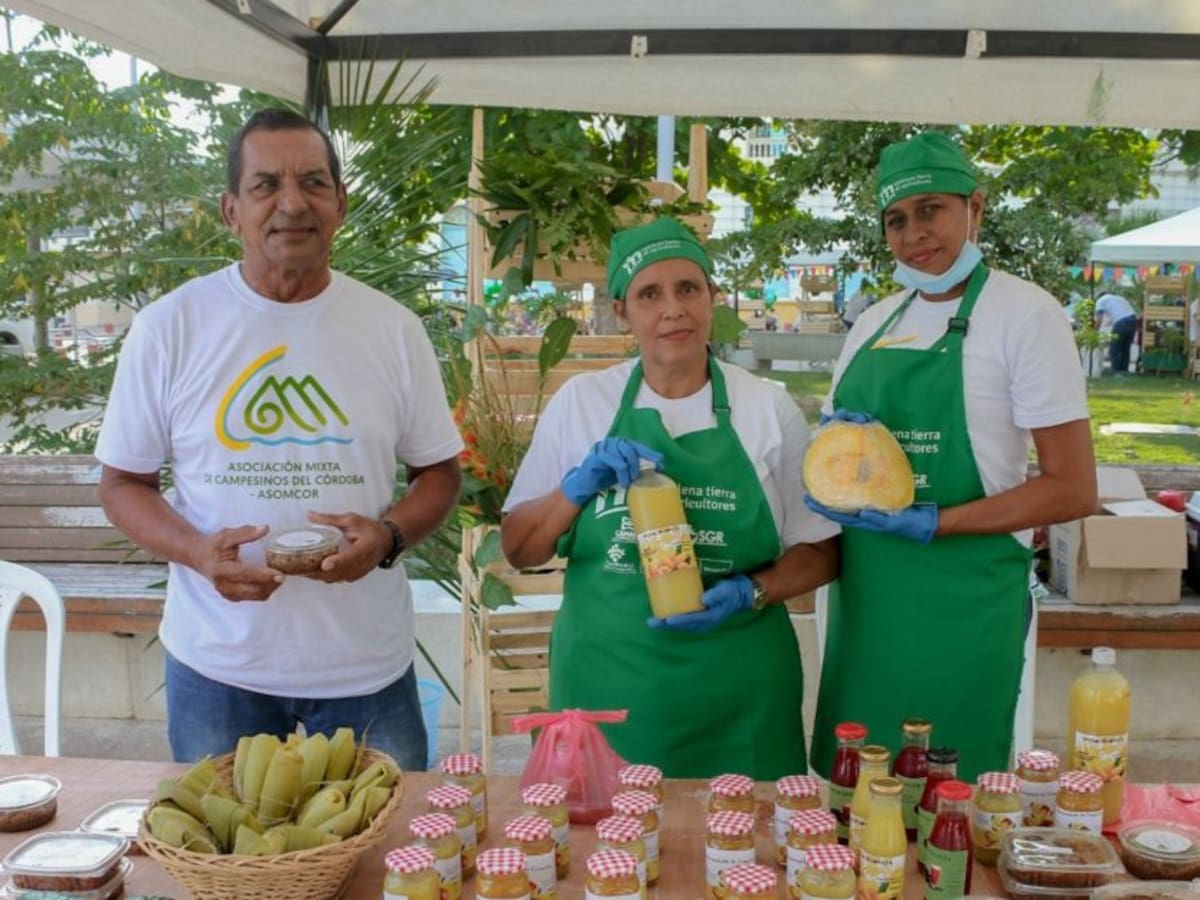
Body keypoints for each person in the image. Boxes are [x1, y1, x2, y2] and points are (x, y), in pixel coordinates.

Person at [95, 108, 463, 768]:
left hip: (366, 666)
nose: (292, 203)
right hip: (218, 666)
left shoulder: (393, 330)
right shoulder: (170, 328)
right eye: (266, 185)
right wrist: (199, 553)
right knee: (223, 837)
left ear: (340, 203)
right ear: (231, 210)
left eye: (313, 182)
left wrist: (388, 537)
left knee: (389, 836)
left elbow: (439, 473)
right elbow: (123, 483)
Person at [500, 218, 840, 779]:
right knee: (604, 834)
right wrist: (574, 488)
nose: (673, 310)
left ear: (712, 297)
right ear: (621, 311)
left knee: (746, 833)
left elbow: (822, 551)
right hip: (608, 691)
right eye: (649, 295)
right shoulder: (583, 403)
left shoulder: (766, 407)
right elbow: (519, 548)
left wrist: (752, 591)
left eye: (688, 289)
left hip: (739, 693)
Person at [805, 131, 1097, 782]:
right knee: (861, 789)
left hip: (964, 599)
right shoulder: (874, 324)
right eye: (896, 219)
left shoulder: (1025, 316)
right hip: (869, 601)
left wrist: (936, 521)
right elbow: (831, 453)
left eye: (931, 209)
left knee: (949, 794)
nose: (914, 233)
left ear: (976, 208)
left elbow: (1073, 487)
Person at [1094, 291, 1138, 373]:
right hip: (1133, 321)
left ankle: (1116, 372)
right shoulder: (1119, 298)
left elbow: (1099, 319)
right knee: (1125, 349)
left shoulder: (1100, 300)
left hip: (1121, 322)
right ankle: (1124, 372)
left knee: (1114, 349)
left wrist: (1094, 331)